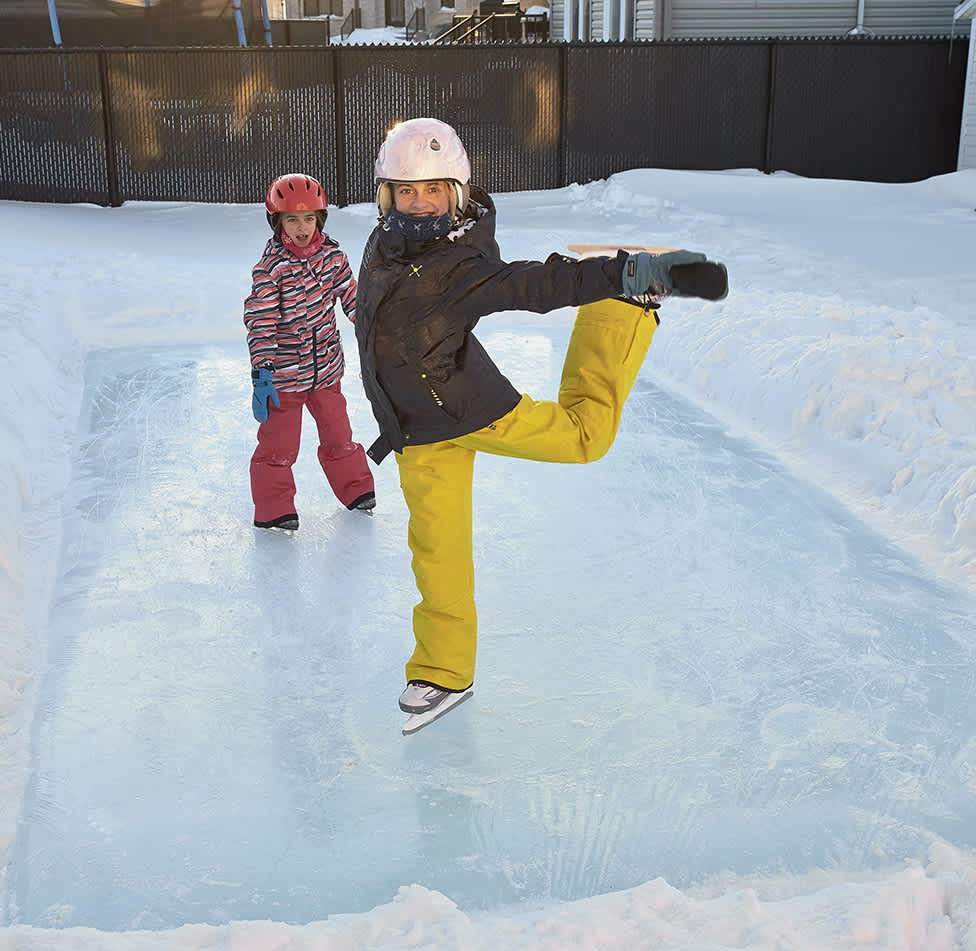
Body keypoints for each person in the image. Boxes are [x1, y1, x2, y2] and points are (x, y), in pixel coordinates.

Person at [354, 118, 718, 728]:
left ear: (458, 194)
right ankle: (445, 674)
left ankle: (625, 311)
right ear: (386, 196)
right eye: (406, 192)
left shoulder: (463, 266)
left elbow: (543, 282)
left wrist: (630, 273)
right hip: (414, 431)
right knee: (436, 558)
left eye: (434, 191)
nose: (420, 204)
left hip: (469, 409)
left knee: (584, 438)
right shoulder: (384, 244)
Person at [244, 173, 375, 533]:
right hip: (284, 377)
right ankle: (273, 508)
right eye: (292, 220)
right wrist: (263, 369)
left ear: (319, 219)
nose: (302, 228)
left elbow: (352, 298)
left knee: (339, 435)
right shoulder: (273, 267)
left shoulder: (332, 256)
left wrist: (373, 329)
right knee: (279, 445)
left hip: (326, 372)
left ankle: (357, 490)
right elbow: (261, 318)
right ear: (277, 223)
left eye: (308, 219)